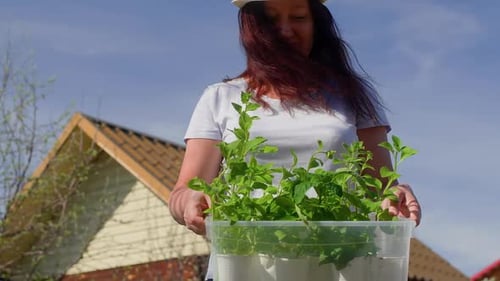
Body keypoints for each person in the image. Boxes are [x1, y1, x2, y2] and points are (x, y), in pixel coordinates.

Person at [169, 0, 422, 279]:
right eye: (272, 19)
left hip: (337, 267)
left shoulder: (353, 97)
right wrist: (189, 200)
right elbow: (183, 192)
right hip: (245, 268)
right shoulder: (220, 97)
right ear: (251, 27)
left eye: (299, 17)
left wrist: (394, 196)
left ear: (317, 24)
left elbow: (382, 189)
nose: (286, 30)